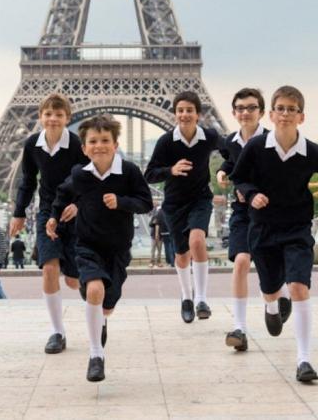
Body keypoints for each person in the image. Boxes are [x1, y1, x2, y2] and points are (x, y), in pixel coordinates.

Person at [231, 85, 318, 382]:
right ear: (271, 114)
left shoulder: (314, 152)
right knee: (270, 287)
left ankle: (304, 360)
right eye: (280, 108)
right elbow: (239, 178)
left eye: (291, 109)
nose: (284, 114)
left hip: (296, 228)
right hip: (263, 228)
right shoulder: (256, 148)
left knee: (298, 288)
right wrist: (252, 193)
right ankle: (271, 303)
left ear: (301, 117)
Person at [46, 114, 153, 382]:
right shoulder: (80, 174)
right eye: (93, 141)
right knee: (95, 289)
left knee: (107, 303)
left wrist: (121, 202)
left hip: (117, 249)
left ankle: (101, 319)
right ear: (84, 148)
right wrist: (53, 216)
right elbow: (63, 194)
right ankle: (96, 355)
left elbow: (145, 203)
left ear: (116, 144)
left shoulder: (129, 172)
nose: (99, 145)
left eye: (105, 140)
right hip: (87, 245)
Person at [9, 93, 87, 354]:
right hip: (46, 213)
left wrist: (79, 204)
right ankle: (57, 332)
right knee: (49, 269)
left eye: (58, 114)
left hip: (74, 212)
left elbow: (90, 179)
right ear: (40, 116)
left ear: (68, 118)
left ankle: (96, 307)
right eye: (48, 114)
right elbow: (28, 181)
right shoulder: (33, 144)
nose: (53, 119)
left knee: (75, 281)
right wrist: (19, 212)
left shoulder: (77, 144)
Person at [217, 88, 290, 352]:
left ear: (261, 112)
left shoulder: (274, 140)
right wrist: (222, 172)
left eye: (251, 107)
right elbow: (230, 162)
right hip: (242, 212)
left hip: (269, 212)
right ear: (234, 113)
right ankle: (240, 327)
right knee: (241, 261)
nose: (245, 112)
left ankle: (276, 301)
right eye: (240, 108)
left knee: (271, 269)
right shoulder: (230, 142)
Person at [144, 91, 222, 323]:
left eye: (189, 110)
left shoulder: (209, 136)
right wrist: (171, 170)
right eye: (180, 110)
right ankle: (186, 297)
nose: (184, 114)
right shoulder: (166, 142)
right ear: (174, 113)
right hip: (174, 203)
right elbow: (149, 174)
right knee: (181, 254)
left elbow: (232, 153)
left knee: (197, 241)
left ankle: (201, 299)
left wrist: (223, 170)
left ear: (198, 114)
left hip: (200, 198)